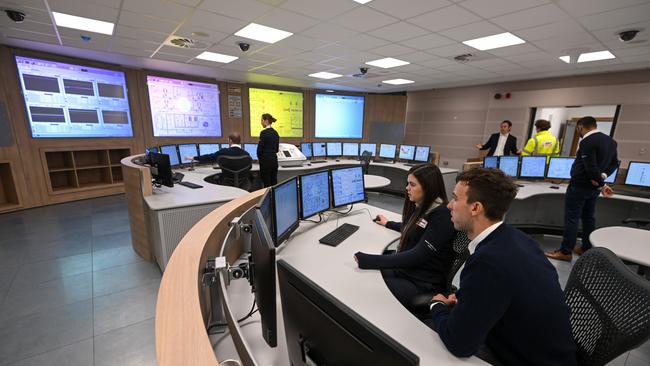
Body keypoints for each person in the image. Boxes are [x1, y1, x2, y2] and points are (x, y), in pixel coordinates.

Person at [426, 168, 576, 366]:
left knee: (428, 336)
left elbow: (459, 344)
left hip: (523, 359)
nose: (449, 206)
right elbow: (506, 290)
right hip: (548, 351)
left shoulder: (488, 261)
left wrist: (437, 306)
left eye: (455, 198)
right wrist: (467, 299)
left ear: (475, 207)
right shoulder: (516, 238)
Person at [354, 164, 456, 308]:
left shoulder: (442, 216)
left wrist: (369, 260)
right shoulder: (426, 206)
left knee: (368, 284)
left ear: (428, 187)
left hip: (422, 283)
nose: (407, 188)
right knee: (366, 274)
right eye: (407, 183)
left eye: (412, 184)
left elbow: (417, 255)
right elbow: (417, 228)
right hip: (408, 271)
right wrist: (389, 223)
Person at [545, 116, 618, 262]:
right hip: (593, 189)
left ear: (580, 127)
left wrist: (600, 183)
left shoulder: (587, 141)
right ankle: (586, 247)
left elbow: (589, 166)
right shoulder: (611, 141)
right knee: (588, 218)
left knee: (572, 218)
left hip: (580, 186)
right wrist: (602, 179)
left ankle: (565, 251)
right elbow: (614, 164)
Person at [258, 113, 280, 187]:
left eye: (262, 120)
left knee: (266, 185)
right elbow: (277, 149)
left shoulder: (263, 133)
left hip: (265, 162)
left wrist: (260, 159)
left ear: (266, 121)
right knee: (274, 183)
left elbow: (259, 150)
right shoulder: (276, 133)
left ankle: (268, 198)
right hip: (274, 161)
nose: (261, 122)